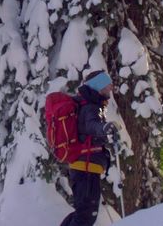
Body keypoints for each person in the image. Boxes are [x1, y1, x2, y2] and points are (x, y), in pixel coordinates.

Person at [60, 70, 120, 226]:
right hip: (85, 167)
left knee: (84, 212)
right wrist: (104, 127)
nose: (110, 89)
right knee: (86, 215)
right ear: (98, 86)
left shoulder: (89, 104)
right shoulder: (90, 107)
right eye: (107, 86)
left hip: (85, 167)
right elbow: (91, 125)